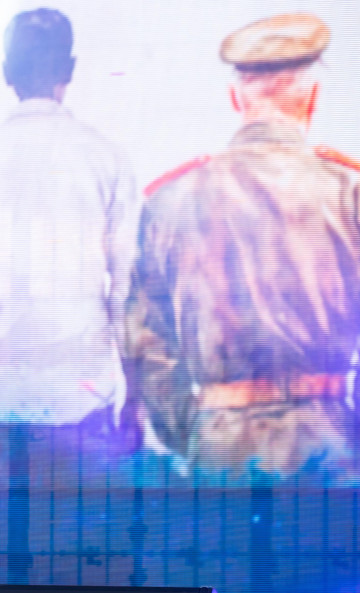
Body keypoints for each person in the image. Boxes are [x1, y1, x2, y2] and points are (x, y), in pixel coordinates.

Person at [127, 13, 360, 479]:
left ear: (236, 99)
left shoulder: (171, 199)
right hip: (328, 443)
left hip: (221, 444)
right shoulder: (348, 192)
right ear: (312, 98)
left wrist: (193, 430)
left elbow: (147, 341)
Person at [0, 8, 138, 477]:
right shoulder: (107, 159)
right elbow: (128, 293)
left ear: (6, 72)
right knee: (78, 524)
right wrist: (135, 401)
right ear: (70, 69)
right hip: (82, 400)